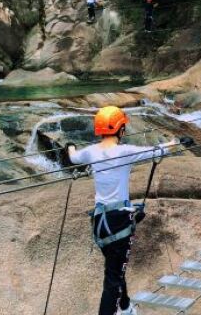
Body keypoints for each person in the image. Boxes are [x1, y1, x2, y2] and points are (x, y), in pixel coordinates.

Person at [68, 106, 177, 315]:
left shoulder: (90, 151)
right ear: (121, 130)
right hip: (119, 222)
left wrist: (71, 146)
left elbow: (73, 158)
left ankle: (125, 308)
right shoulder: (125, 151)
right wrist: (175, 143)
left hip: (100, 222)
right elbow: (157, 150)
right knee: (112, 281)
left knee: (115, 269)